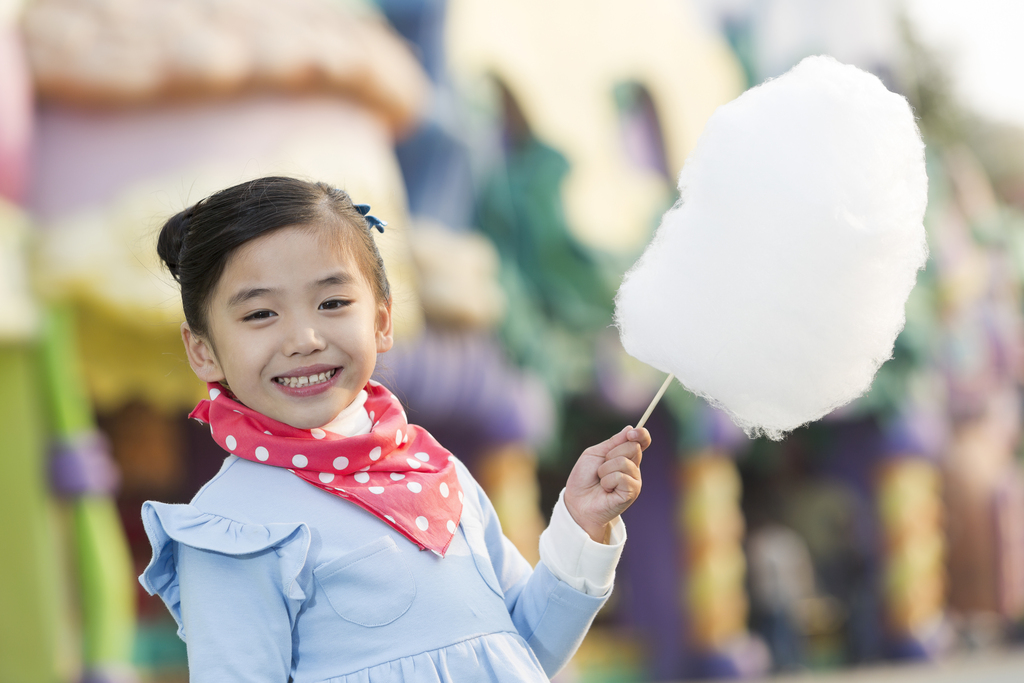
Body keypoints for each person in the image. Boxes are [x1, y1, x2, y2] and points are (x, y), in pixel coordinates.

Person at [139, 176, 650, 682]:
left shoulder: (437, 470)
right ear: (202, 349)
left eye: (333, 303)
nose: (305, 338)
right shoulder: (234, 525)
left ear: (383, 319)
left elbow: (522, 649)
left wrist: (583, 525)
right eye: (260, 313)